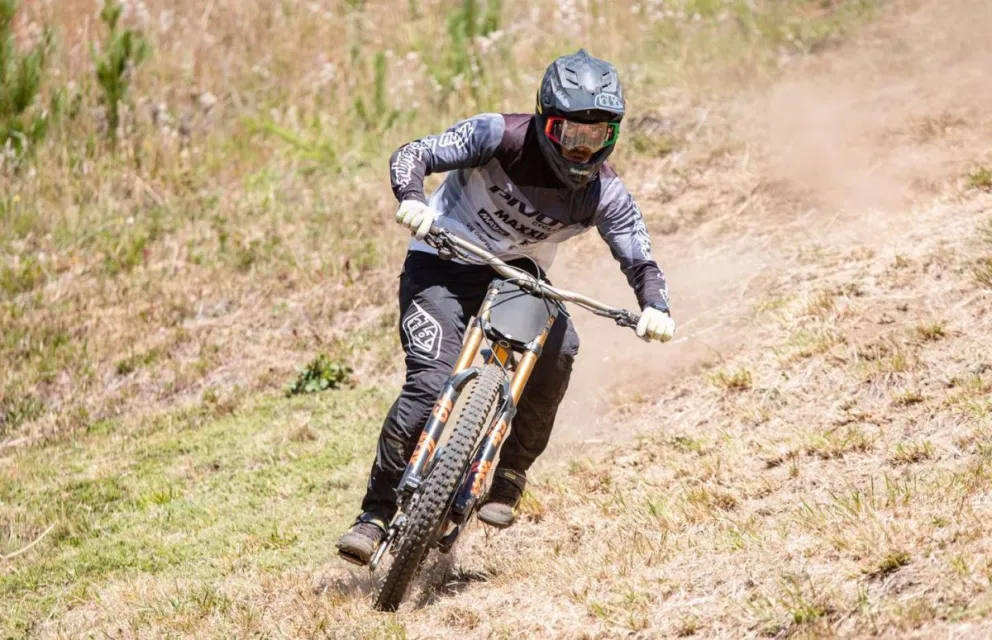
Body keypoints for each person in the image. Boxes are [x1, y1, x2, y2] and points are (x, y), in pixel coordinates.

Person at [336, 49, 675, 566]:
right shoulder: (496, 135)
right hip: (443, 261)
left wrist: (655, 306)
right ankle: (375, 514)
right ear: (544, 121)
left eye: (599, 136)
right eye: (571, 134)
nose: (584, 151)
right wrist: (412, 197)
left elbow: (639, 256)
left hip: (521, 277)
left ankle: (510, 475)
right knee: (429, 383)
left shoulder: (606, 192)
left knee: (561, 354)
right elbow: (413, 153)